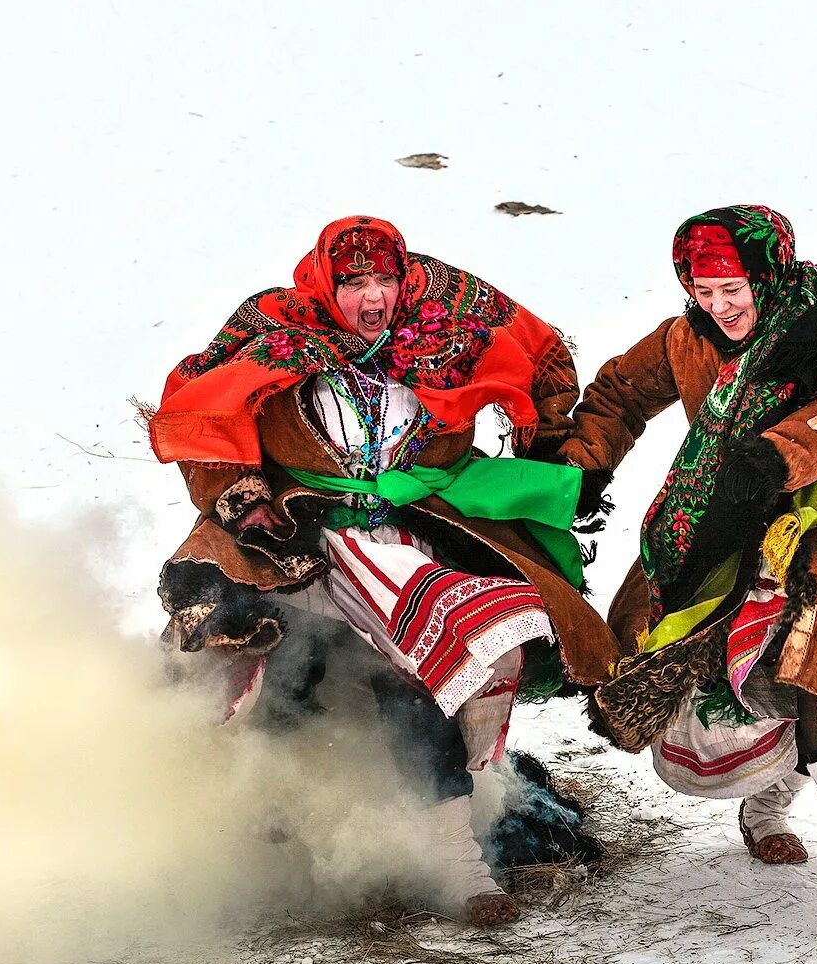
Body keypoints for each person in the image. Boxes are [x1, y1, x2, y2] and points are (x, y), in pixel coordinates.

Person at [146, 216, 619, 925]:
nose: (374, 298)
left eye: (385, 280)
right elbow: (210, 420)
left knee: (434, 670)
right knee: (282, 695)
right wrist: (243, 504)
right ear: (325, 282)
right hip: (293, 543)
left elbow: (540, 355)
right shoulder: (273, 328)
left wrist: (551, 453)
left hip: (411, 539)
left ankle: (462, 870)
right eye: (355, 282)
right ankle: (248, 845)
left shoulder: (447, 327)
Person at [555, 205, 817, 886]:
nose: (720, 307)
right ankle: (764, 810)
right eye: (703, 292)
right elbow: (618, 394)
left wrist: (778, 455)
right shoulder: (686, 338)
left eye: (734, 290)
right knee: (738, 658)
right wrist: (586, 463)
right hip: (720, 514)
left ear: (769, 271)